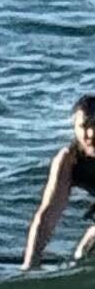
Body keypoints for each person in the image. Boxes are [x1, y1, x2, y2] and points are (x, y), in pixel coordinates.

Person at [20, 96, 95, 268]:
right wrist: (30, 264)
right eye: (83, 126)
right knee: (83, 254)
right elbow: (47, 214)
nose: (89, 134)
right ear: (74, 127)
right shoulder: (69, 160)